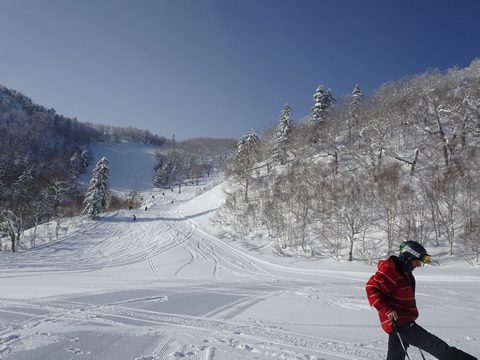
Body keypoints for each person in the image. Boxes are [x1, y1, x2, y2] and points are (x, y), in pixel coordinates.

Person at [366, 241, 476, 360]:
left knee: (395, 357)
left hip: (400, 322)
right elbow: (371, 289)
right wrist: (387, 310)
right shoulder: (390, 270)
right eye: (417, 262)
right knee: (435, 345)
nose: (417, 265)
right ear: (407, 258)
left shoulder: (405, 272)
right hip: (400, 323)